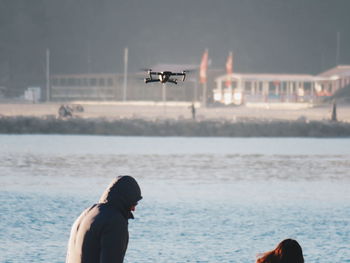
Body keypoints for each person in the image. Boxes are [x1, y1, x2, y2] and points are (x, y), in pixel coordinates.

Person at [66, 176, 142, 263]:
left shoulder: (86, 213)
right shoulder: (114, 221)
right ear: (125, 199)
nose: (134, 209)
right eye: (134, 202)